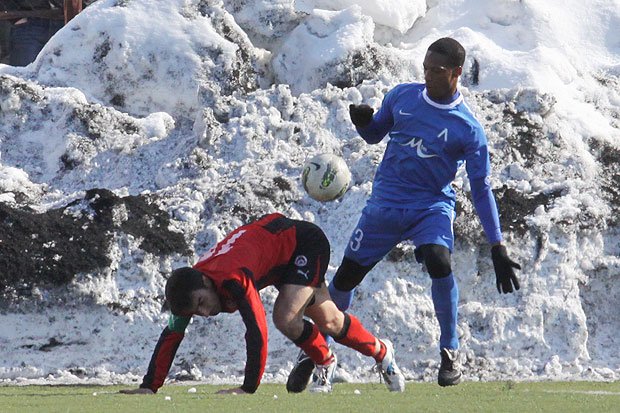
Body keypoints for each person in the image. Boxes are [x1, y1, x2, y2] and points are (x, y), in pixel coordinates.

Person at [288, 37, 521, 389]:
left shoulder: (468, 129)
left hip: (431, 206)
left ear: (457, 73)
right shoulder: (402, 96)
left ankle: (450, 351)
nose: (428, 75)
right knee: (346, 278)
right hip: (385, 205)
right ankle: (316, 348)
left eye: (437, 71)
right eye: (425, 68)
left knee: (440, 262)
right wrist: (363, 122)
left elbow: (481, 188)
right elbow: (374, 135)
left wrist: (497, 245)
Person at [119, 213, 405, 395]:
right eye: (196, 312)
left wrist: (247, 388)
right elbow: (172, 334)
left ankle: (325, 361)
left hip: (303, 243)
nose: (204, 313)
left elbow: (256, 331)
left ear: (206, 284)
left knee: (284, 318)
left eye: (202, 304)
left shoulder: (232, 278)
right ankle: (382, 351)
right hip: (276, 255)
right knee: (329, 320)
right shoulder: (194, 286)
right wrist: (149, 387)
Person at [0, 0, 82, 67]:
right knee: (23, 79)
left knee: (66, 79)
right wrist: (16, 17)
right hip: (29, 21)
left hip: (66, 23)